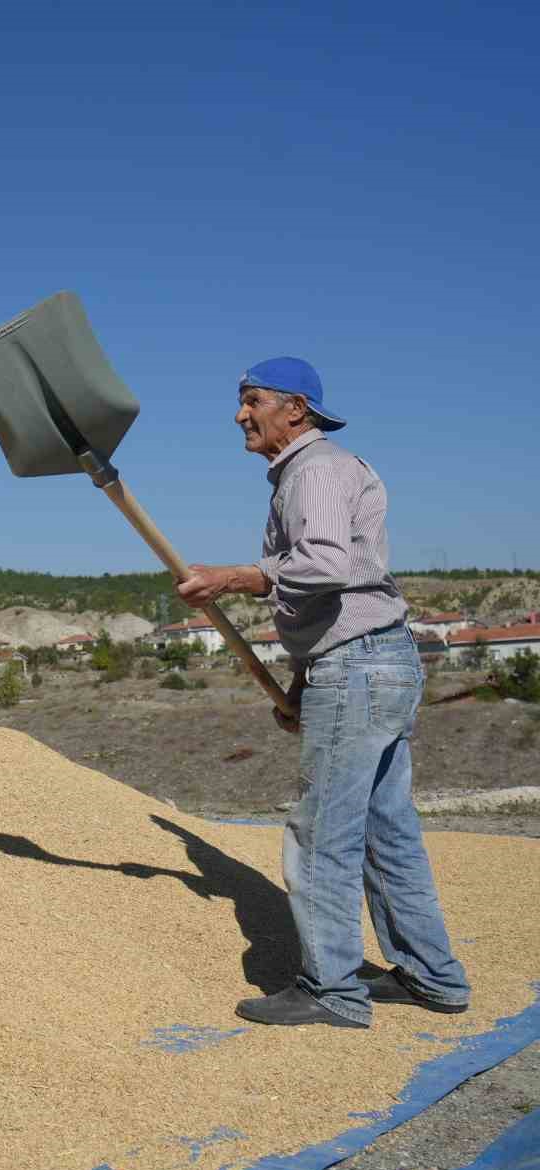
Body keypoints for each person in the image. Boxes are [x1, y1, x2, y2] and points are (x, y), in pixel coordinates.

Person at [174, 356, 470, 1029]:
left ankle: (332, 989)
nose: (240, 415)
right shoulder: (315, 472)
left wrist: (235, 577)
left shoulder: (314, 470)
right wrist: (306, 682)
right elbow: (341, 595)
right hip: (370, 662)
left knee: (322, 834)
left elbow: (328, 567)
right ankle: (434, 978)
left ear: (295, 409)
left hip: (360, 668)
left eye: (252, 401)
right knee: (386, 832)